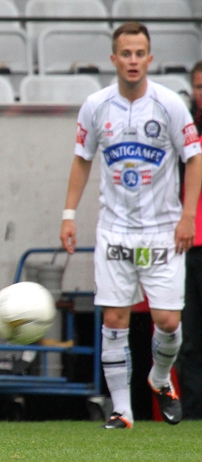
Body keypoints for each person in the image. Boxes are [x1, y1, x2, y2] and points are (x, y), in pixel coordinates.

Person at [59, 22, 202, 429]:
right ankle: (122, 410)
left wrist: (187, 216)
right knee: (114, 320)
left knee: (168, 322)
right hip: (115, 230)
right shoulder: (96, 105)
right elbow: (82, 158)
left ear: (150, 59)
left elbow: (195, 157)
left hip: (162, 230)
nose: (133, 61)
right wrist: (68, 215)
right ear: (114, 59)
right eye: (126, 54)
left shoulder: (170, 104)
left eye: (140, 54)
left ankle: (159, 380)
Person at [178, 60, 202, 420]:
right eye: (198, 86)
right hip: (189, 245)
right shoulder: (182, 130)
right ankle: (195, 416)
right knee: (191, 339)